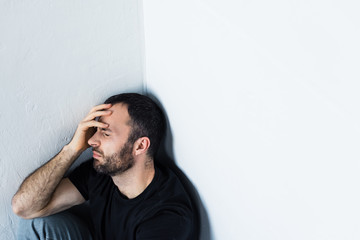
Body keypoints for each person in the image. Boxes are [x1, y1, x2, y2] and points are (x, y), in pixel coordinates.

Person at [12, 93, 194, 239]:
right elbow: (24, 208)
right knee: (36, 222)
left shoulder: (168, 218)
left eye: (105, 133)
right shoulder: (102, 171)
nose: (91, 140)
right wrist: (71, 150)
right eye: (95, 129)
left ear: (140, 146)